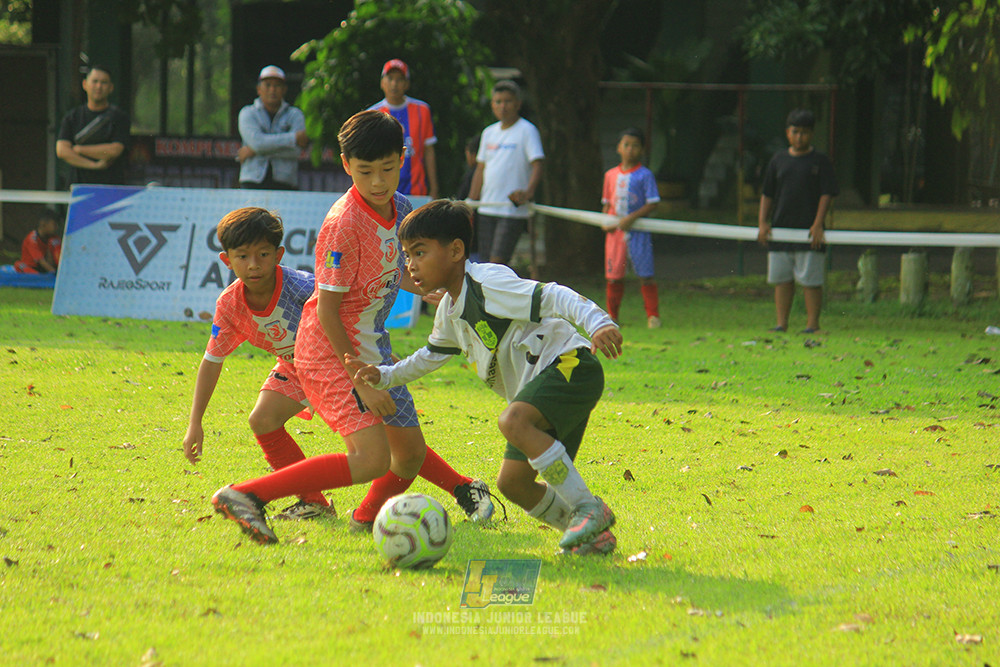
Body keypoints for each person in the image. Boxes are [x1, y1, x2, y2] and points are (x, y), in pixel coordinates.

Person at [210, 111, 493, 544]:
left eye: (387, 169)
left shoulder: (401, 207)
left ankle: (364, 522)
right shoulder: (342, 224)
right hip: (328, 349)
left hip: (371, 346)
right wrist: (360, 379)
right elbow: (327, 310)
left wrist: (430, 291)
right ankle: (245, 495)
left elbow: (391, 271)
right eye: (365, 172)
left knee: (410, 453)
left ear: (403, 158)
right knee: (370, 459)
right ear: (346, 165)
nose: (378, 182)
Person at [347, 200, 623, 556]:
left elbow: (553, 294)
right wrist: (384, 376)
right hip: (541, 386)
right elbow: (429, 357)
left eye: (419, 252)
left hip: (570, 364)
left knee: (513, 420)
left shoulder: (487, 283)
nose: (410, 264)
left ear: (456, 250)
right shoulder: (449, 309)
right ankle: (590, 535)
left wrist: (597, 321)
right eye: (406, 254)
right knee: (513, 483)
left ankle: (589, 508)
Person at [183, 207, 334, 520]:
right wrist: (195, 422)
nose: (253, 265)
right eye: (242, 256)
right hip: (296, 368)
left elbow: (346, 315)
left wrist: (376, 354)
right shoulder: (230, 304)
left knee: (384, 442)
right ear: (227, 260)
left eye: (263, 254)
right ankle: (314, 502)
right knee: (263, 420)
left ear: (278, 254)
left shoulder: (303, 289)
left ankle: (458, 486)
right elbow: (212, 361)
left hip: (339, 364)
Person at [757, 109, 839, 333]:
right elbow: (767, 193)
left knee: (811, 280)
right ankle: (781, 323)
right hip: (781, 230)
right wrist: (763, 222)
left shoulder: (820, 161)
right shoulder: (778, 160)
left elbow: (827, 193)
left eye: (804, 132)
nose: (800, 137)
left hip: (809, 232)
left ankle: (813, 325)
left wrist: (817, 223)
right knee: (782, 279)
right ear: (787, 133)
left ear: (811, 134)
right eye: (795, 132)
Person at [468, 80, 544, 266]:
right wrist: (470, 201)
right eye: (498, 101)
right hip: (487, 207)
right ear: (492, 105)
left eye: (508, 101)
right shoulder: (488, 133)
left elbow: (538, 164)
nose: (503, 106)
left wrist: (528, 192)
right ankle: (488, 296)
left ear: (517, 104)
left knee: (497, 263)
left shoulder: (527, 130)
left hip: (511, 209)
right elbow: (480, 168)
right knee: (485, 265)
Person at [601, 128, 662, 329]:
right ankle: (612, 316)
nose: (630, 150)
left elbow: (652, 203)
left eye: (635, 146)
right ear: (619, 148)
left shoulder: (645, 175)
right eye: (626, 145)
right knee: (614, 276)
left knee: (645, 274)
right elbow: (607, 203)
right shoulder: (610, 175)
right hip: (615, 235)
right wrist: (605, 220)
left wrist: (632, 218)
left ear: (642, 150)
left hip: (639, 233)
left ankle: (653, 316)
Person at [368, 59, 439, 198]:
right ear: (382, 83)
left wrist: (434, 187)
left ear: (407, 84)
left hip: (416, 190)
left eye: (400, 79)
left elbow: (429, 150)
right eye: (390, 78)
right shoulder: (372, 114)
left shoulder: (422, 110)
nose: (394, 84)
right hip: (383, 191)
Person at [56, 66, 131, 186]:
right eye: (95, 81)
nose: (99, 87)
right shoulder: (72, 117)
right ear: (85, 84)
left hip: (111, 188)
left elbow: (114, 151)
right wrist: (94, 165)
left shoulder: (119, 117)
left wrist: (79, 149)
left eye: (104, 82)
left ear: (111, 88)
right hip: (79, 187)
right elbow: (62, 151)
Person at [236, 66, 308, 190]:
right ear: (259, 89)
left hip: (285, 183)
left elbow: (296, 151)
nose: (272, 90)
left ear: (284, 89)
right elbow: (258, 143)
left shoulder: (295, 114)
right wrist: (293, 138)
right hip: (252, 182)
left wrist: (255, 151)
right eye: (268, 85)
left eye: (277, 86)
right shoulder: (247, 113)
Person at [14, 209, 61, 274]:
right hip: (32, 267)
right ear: (44, 224)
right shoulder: (32, 239)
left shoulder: (54, 239)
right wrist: (54, 273)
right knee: (18, 265)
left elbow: (59, 256)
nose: (56, 227)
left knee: (55, 242)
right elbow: (40, 260)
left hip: (46, 267)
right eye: (54, 224)